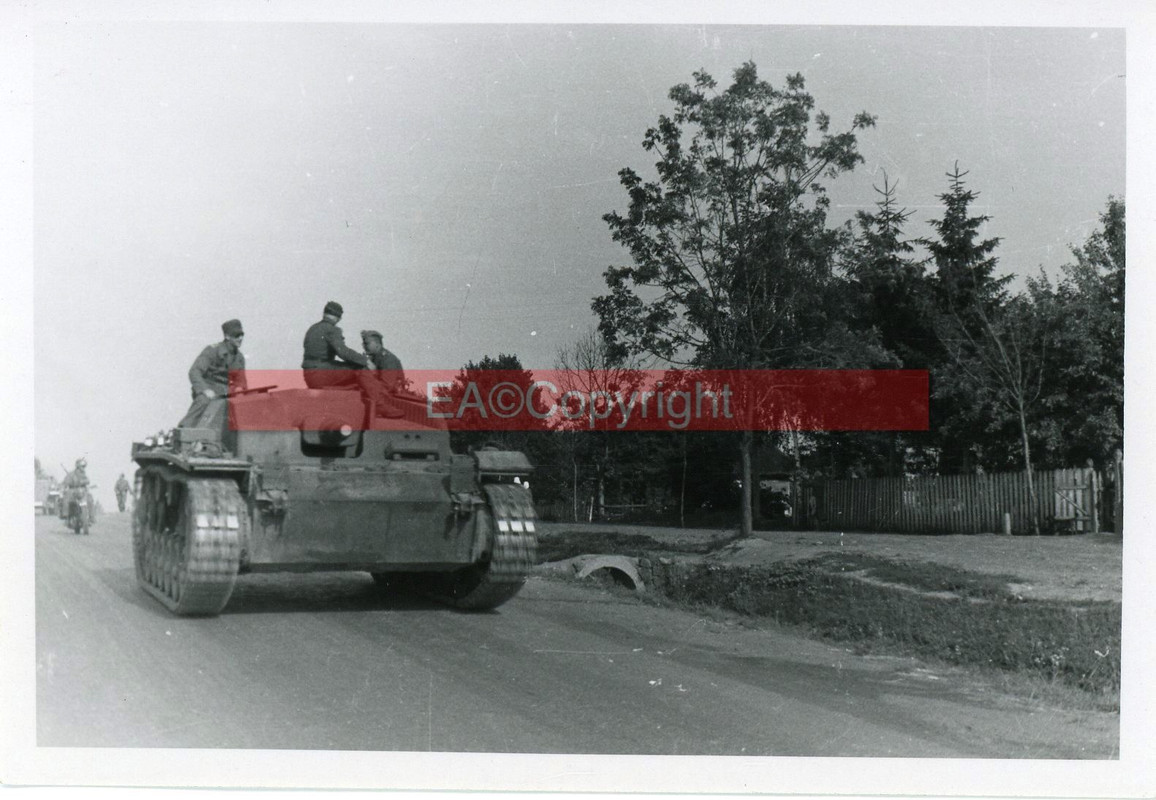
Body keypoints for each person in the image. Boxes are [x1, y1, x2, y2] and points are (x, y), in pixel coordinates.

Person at [178, 319, 247, 428]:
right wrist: (205, 390)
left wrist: (240, 390)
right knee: (203, 401)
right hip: (210, 389)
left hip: (228, 392)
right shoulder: (212, 351)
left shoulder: (239, 358)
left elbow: (241, 381)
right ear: (227, 336)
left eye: (242, 335)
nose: (240, 338)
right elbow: (194, 371)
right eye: (236, 335)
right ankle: (184, 431)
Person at [301, 301, 367, 389]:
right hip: (322, 374)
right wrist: (365, 361)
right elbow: (343, 352)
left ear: (324, 313)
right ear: (339, 318)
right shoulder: (332, 329)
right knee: (362, 370)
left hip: (309, 376)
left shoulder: (312, 328)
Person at [358, 330, 405, 418]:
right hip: (379, 394)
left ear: (377, 344)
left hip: (391, 397)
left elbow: (387, 386)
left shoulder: (387, 359)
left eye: (367, 343)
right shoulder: (375, 357)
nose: (364, 346)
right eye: (363, 344)